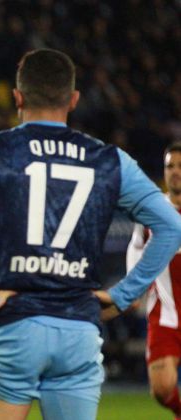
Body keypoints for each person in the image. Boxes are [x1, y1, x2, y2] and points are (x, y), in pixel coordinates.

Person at [0, 48, 181, 420]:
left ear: (17, 97)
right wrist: (122, 295)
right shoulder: (109, 159)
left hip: (15, 326)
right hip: (78, 333)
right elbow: (171, 226)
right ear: (73, 100)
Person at [126, 142, 181, 418]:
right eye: (170, 166)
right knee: (161, 388)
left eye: (180, 166)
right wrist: (131, 290)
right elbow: (136, 247)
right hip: (165, 312)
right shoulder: (152, 209)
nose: (175, 172)